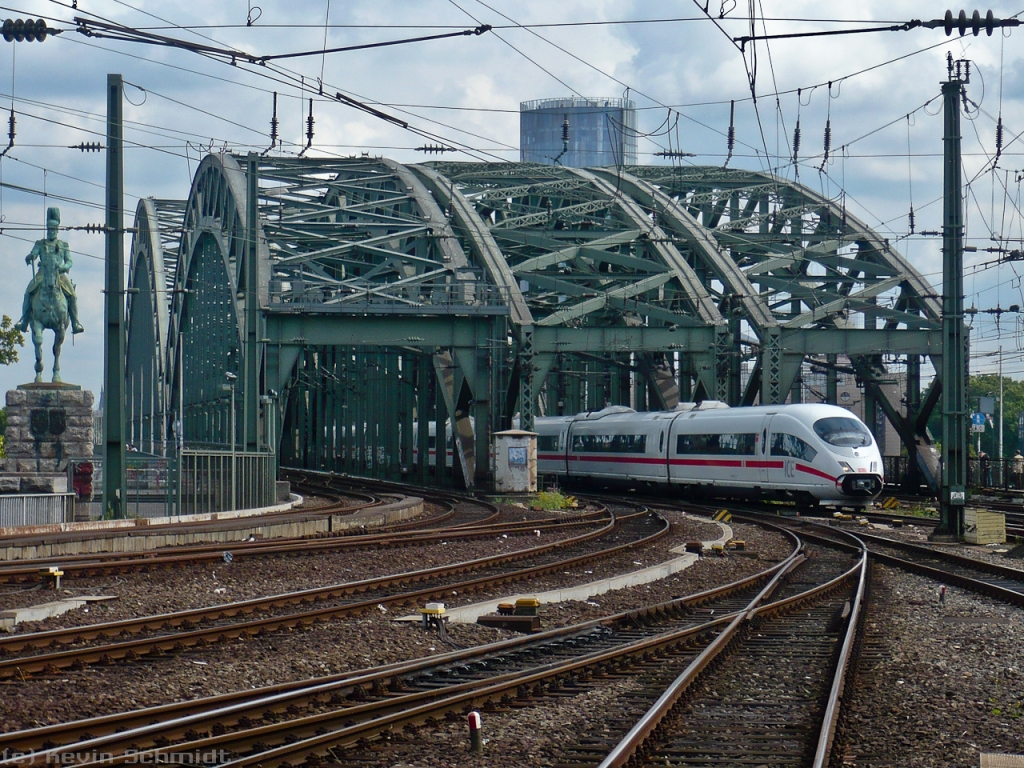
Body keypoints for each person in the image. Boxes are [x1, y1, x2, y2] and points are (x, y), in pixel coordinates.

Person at [15, 207, 85, 335]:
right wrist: (30, 257)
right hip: (43, 274)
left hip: (59, 275)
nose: (51, 231)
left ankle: (75, 322)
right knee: (28, 292)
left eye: (53, 229)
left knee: (73, 296)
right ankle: (24, 320)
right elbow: (34, 254)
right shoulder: (40, 244)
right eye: (49, 229)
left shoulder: (63, 245)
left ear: (57, 230)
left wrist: (64, 267)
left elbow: (69, 261)